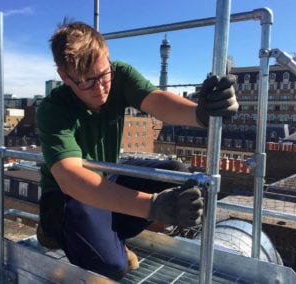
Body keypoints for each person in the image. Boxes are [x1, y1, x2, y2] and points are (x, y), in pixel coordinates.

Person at [36, 21, 238, 280]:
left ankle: (109, 234)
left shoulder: (120, 75)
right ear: (65, 77)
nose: (101, 88)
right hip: (68, 197)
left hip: (105, 180)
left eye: (104, 74)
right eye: (88, 82)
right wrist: (153, 207)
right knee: (112, 268)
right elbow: (72, 178)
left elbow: (156, 101)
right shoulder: (53, 109)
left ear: (108, 58)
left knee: (173, 172)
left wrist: (200, 112)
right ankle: (55, 233)